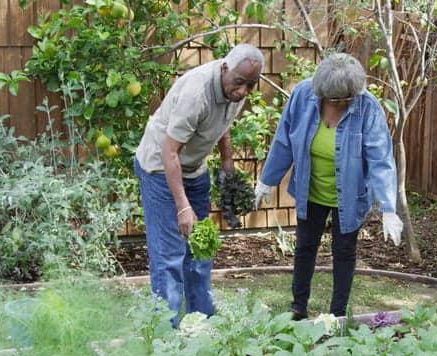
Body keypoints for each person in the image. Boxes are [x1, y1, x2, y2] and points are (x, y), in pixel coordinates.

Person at [254, 53, 403, 320]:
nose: (337, 104)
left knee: (344, 252)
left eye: (343, 100)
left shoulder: (368, 108)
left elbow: (381, 160)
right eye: (331, 99)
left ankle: (338, 315)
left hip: (350, 194)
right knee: (305, 246)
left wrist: (389, 208)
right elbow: (283, 141)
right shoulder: (302, 96)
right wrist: (267, 180)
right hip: (311, 188)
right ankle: (298, 308)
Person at [134, 44, 264, 324]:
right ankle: (164, 340)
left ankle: (203, 326)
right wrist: (182, 206)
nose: (243, 91)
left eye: (250, 86)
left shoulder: (236, 88)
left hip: (194, 169)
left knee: (200, 251)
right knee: (169, 255)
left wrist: (227, 162)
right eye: (239, 83)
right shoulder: (196, 93)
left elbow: (223, 122)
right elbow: (169, 153)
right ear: (225, 69)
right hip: (159, 167)